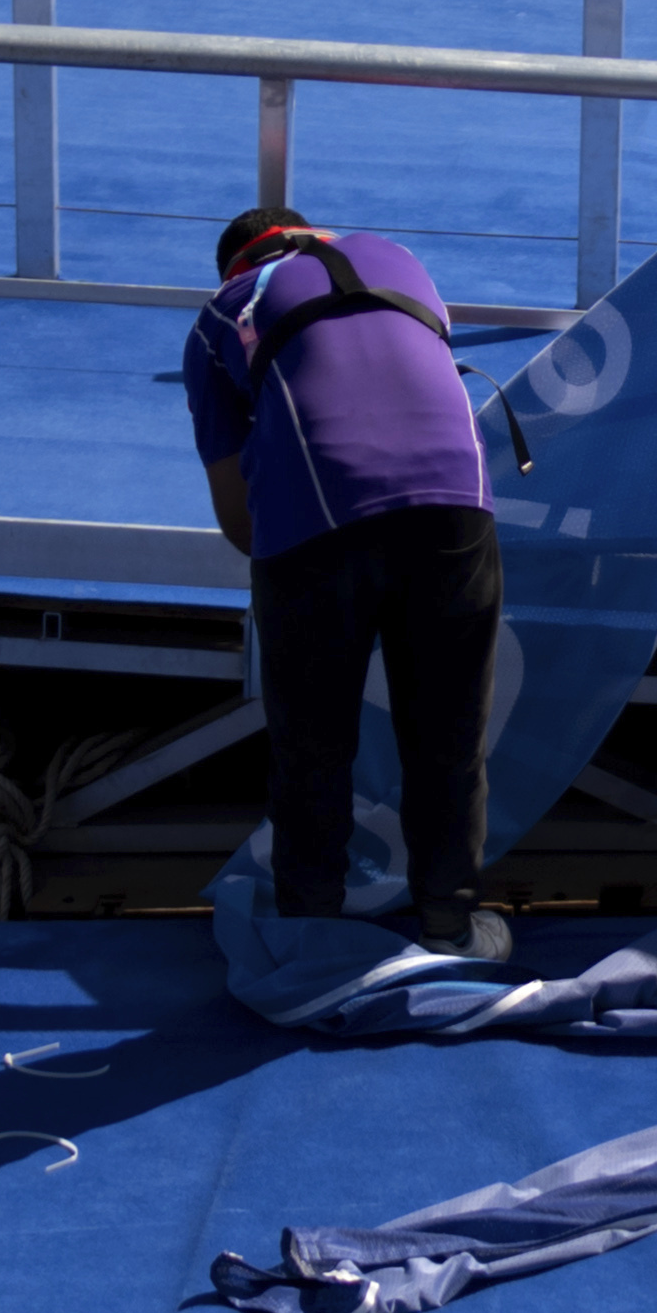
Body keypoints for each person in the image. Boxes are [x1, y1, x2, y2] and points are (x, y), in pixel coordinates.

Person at [184, 206, 508, 958]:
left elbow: (240, 518)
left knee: (313, 745)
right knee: (448, 739)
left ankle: (311, 939)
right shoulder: (402, 259)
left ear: (235, 266)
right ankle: (451, 928)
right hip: (457, 504)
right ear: (318, 236)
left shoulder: (220, 314)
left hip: (319, 517)